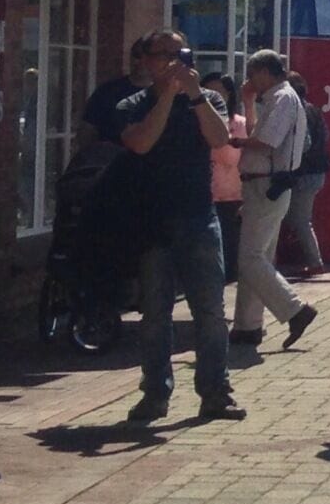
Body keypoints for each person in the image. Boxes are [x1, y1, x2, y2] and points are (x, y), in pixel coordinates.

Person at [118, 31, 246, 428]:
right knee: (155, 315)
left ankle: (215, 394)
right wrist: (168, 97)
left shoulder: (208, 100)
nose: (175, 62)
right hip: (153, 220)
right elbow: (141, 143)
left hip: (199, 217)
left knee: (210, 312)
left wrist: (192, 95)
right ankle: (155, 395)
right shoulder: (132, 104)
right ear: (148, 61)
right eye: (166, 55)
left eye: (181, 54)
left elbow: (221, 139)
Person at [230, 51, 318, 350]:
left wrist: (237, 141)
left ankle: (295, 309)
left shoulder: (282, 98)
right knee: (259, 258)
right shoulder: (277, 99)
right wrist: (247, 103)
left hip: (268, 182)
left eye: (253, 74)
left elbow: (267, 140)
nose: (251, 81)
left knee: (250, 257)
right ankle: (248, 326)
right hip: (264, 183)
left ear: (265, 72)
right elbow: (261, 132)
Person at [280, 70, 330, 274]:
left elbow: (304, 144)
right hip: (317, 171)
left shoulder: (295, 109)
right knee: (297, 217)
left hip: (303, 172)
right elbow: (326, 136)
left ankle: (314, 262)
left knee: (300, 219)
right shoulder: (314, 110)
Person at [206, 70, 246, 296]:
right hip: (202, 196)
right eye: (209, 91)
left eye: (220, 92)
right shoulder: (194, 122)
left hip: (232, 197)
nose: (215, 96)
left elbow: (241, 159)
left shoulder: (239, 124)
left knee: (229, 255)